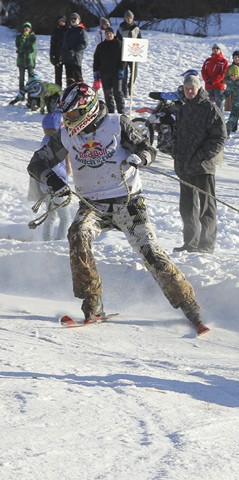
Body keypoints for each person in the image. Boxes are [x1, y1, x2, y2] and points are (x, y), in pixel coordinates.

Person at [27, 82, 209, 333]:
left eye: (72, 115)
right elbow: (36, 162)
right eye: (65, 115)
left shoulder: (117, 123)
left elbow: (148, 149)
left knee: (151, 252)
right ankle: (93, 303)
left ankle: (190, 307)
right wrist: (54, 180)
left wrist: (140, 158)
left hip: (128, 201)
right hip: (92, 204)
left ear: (88, 109)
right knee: (78, 234)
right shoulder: (67, 134)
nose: (67, 121)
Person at [172, 74, 227, 254]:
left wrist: (202, 156)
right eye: (186, 88)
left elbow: (220, 137)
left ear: (198, 88)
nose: (189, 91)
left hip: (203, 167)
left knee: (206, 208)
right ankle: (190, 242)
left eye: (192, 88)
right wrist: (176, 155)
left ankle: (206, 245)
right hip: (185, 167)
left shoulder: (210, 108)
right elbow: (176, 136)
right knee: (187, 208)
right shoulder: (182, 109)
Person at [28, 110, 73, 241]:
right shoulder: (54, 142)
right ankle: (60, 243)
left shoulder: (47, 139)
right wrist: (61, 180)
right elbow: (55, 167)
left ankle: (47, 241)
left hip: (46, 184)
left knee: (51, 215)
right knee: (65, 218)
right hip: (55, 185)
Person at [93, 27, 125, 114]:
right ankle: (110, 111)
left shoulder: (119, 44)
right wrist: (95, 71)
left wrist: (122, 69)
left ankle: (121, 111)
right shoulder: (101, 46)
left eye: (110, 33)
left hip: (116, 73)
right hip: (105, 73)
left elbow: (124, 58)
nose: (109, 35)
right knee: (107, 93)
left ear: (113, 34)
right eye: (107, 34)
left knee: (117, 92)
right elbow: (96, 60)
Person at [116, 10, 141, 97]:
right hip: (124, 54)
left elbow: (140, 40)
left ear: (132, 18)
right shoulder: (120, 28)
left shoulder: (136, 28)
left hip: (134, 53)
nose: (128, 19)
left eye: (130, 18)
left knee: (134, 73)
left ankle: (130, 86)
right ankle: (124, 91)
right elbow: (117, 41)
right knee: (124, 73)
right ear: (124, 18)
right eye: (127, 18)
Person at [62, 13, 88, 86]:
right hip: (67, 58)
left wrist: (74, 49)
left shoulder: (81, 31)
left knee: (78, 78)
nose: (73, 20)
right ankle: (70, 95)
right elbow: (64, 45)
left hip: (75, 58)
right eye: (71, 19)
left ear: (79, 20)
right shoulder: (68, 31)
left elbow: (84, 43)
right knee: (69, 80)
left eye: (75, 19)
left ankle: (80, 94)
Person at [201, 43, 229, 111]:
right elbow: (203, 71)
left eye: (217, 48)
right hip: (208, 85)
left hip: (219, 86)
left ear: (220, 50)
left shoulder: (223, 61)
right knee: (208, 103)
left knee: (219, 103)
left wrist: (213, 81)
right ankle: (208, 119)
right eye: (214, 49)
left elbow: (223, 73)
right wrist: (207, 80)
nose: (215, 50)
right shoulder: (208, 60)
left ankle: (220, 119)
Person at [15, 21, 37, 91]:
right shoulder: (19, 37)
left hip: (30, 60)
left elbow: (32, 49)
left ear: (30, 29)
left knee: (31, 78)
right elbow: (18, 46)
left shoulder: (33, 37)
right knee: (21, 78)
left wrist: (22, 49)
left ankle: (31, 92)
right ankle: (21, 92)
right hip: (21, 60)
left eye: (28, 28)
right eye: (25, 27)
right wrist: (23, 39)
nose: (26, 29)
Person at [50, 16, 67, 87]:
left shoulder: (68, 30)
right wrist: (51, 54)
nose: (61, 22)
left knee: (69, 74)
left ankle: (69, 90)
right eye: (60, 21)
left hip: (66, 55)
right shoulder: (55, 30)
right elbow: (52, 43)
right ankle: (58, 89)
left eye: (63, 21)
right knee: (58, 74)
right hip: (57, 54)